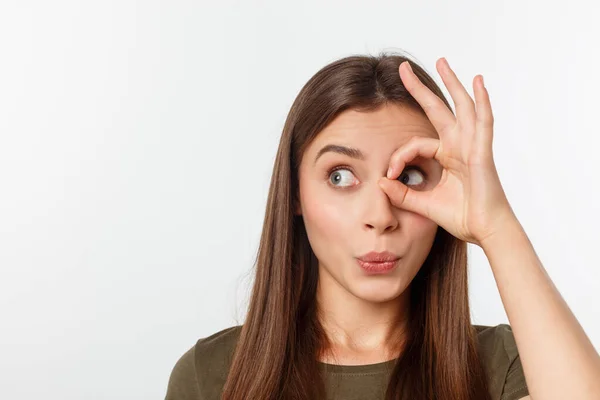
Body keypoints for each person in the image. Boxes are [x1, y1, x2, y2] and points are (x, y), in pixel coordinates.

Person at [164, 52, 600, 400]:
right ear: (294, 193)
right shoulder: (211, 376)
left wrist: (495, 224)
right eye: (340, 177)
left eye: (410, 176)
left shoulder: (505, 365)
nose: (380, 216)